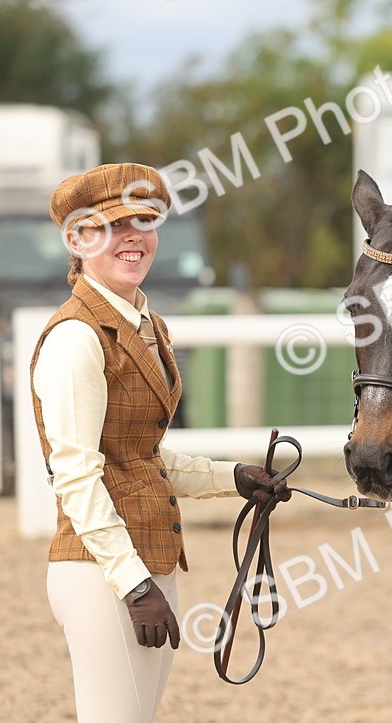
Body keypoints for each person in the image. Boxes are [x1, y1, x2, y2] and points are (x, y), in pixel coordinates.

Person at [30, 163, 289, 722]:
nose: (133, 237)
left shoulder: (145, 324)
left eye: (144, 221)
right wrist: (132, 584)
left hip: (149, 568)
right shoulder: (76, 337)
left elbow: (138, 456)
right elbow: (75, 472)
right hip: (107, 574)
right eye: (112, 225)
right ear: (77, 240)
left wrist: (232, 478)